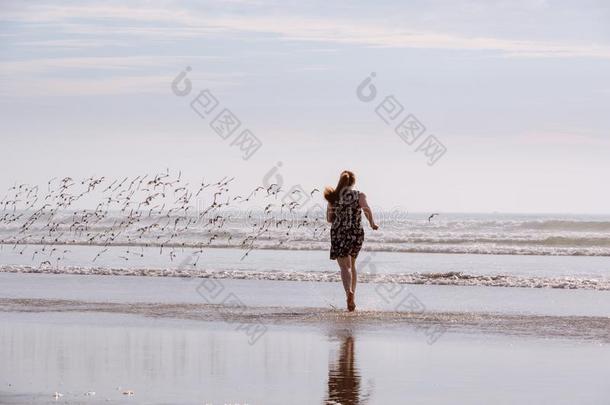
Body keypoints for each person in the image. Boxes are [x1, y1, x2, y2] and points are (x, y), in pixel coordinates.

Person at [324, 170, 378, 311]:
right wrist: (372, 223)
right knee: (352, 265)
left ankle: (349, 293)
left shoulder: (333, 197)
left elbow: (329, 219)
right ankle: (352, 297)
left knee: (344, 267)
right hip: (356, 232)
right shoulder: (359, 195)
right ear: (353, 182)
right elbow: (366, 208)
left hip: (338, 233)